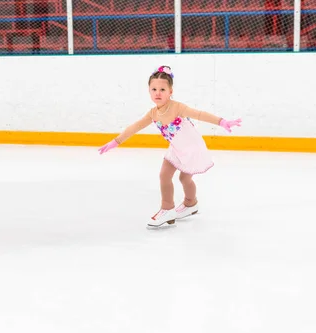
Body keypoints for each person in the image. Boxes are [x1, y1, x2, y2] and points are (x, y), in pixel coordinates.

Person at [98, 65, 241, 227]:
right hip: (176, 148)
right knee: (164, 176)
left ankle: (190, 203)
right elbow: (136, 126)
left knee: (184, 178)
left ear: (170, 92)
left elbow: (199, 114)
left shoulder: (177, 107)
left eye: (162, 89)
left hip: (192, 148)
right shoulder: (153, 113)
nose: (157, 93)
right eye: (154, 89)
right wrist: (116, 141)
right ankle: (168, 209)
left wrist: (222, 122)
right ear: (149, 91)